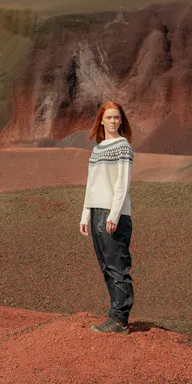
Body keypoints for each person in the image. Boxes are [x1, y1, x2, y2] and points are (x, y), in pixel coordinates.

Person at [79, 102, 135, 334]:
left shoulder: (124, 147)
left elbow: (123, 184)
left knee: (117, 265)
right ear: (101, 120)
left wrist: (113, 215)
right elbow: (91, 184)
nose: (113, 121)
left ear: (121, 121)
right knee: (105, 265)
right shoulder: (98, 149)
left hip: (115, 214)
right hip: (96, 212)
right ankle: (114, 313)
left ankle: (121, 318)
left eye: (117, 117)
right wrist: (85, 214)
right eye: (109, 117)